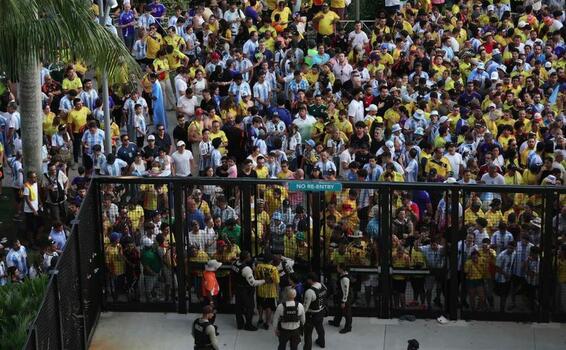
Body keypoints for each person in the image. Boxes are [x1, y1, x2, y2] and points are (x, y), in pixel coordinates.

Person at [231, 250, 266, 330]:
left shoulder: (234, 263)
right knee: (249, 307)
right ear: (246, 258)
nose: (250, 258)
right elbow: (253, 283)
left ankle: (240, 324)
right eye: (249, 256)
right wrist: (264, 281)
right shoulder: (246, 269)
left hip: (237, 288)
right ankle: (248, 325)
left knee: (238, 307)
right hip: (246, 290)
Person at [303, 272, 327, 350]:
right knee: (320, 328)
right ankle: (322, 342)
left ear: (310, 280)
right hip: (321, 312)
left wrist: (300, 315)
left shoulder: (310, 291)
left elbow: (305, 307)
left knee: (308, 333)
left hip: (311, 314)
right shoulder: (323, 285)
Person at [328, 263, 352, 333]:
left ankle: (348, 327)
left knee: (347, 312)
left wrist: (344, 301)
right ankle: (336, 322)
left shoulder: (345, 278)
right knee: (339, 310)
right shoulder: (342, 275)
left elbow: (346, 290)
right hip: (341, 295)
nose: (337, 269)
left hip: (345, 297)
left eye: (338, 268)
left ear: (341, 269)